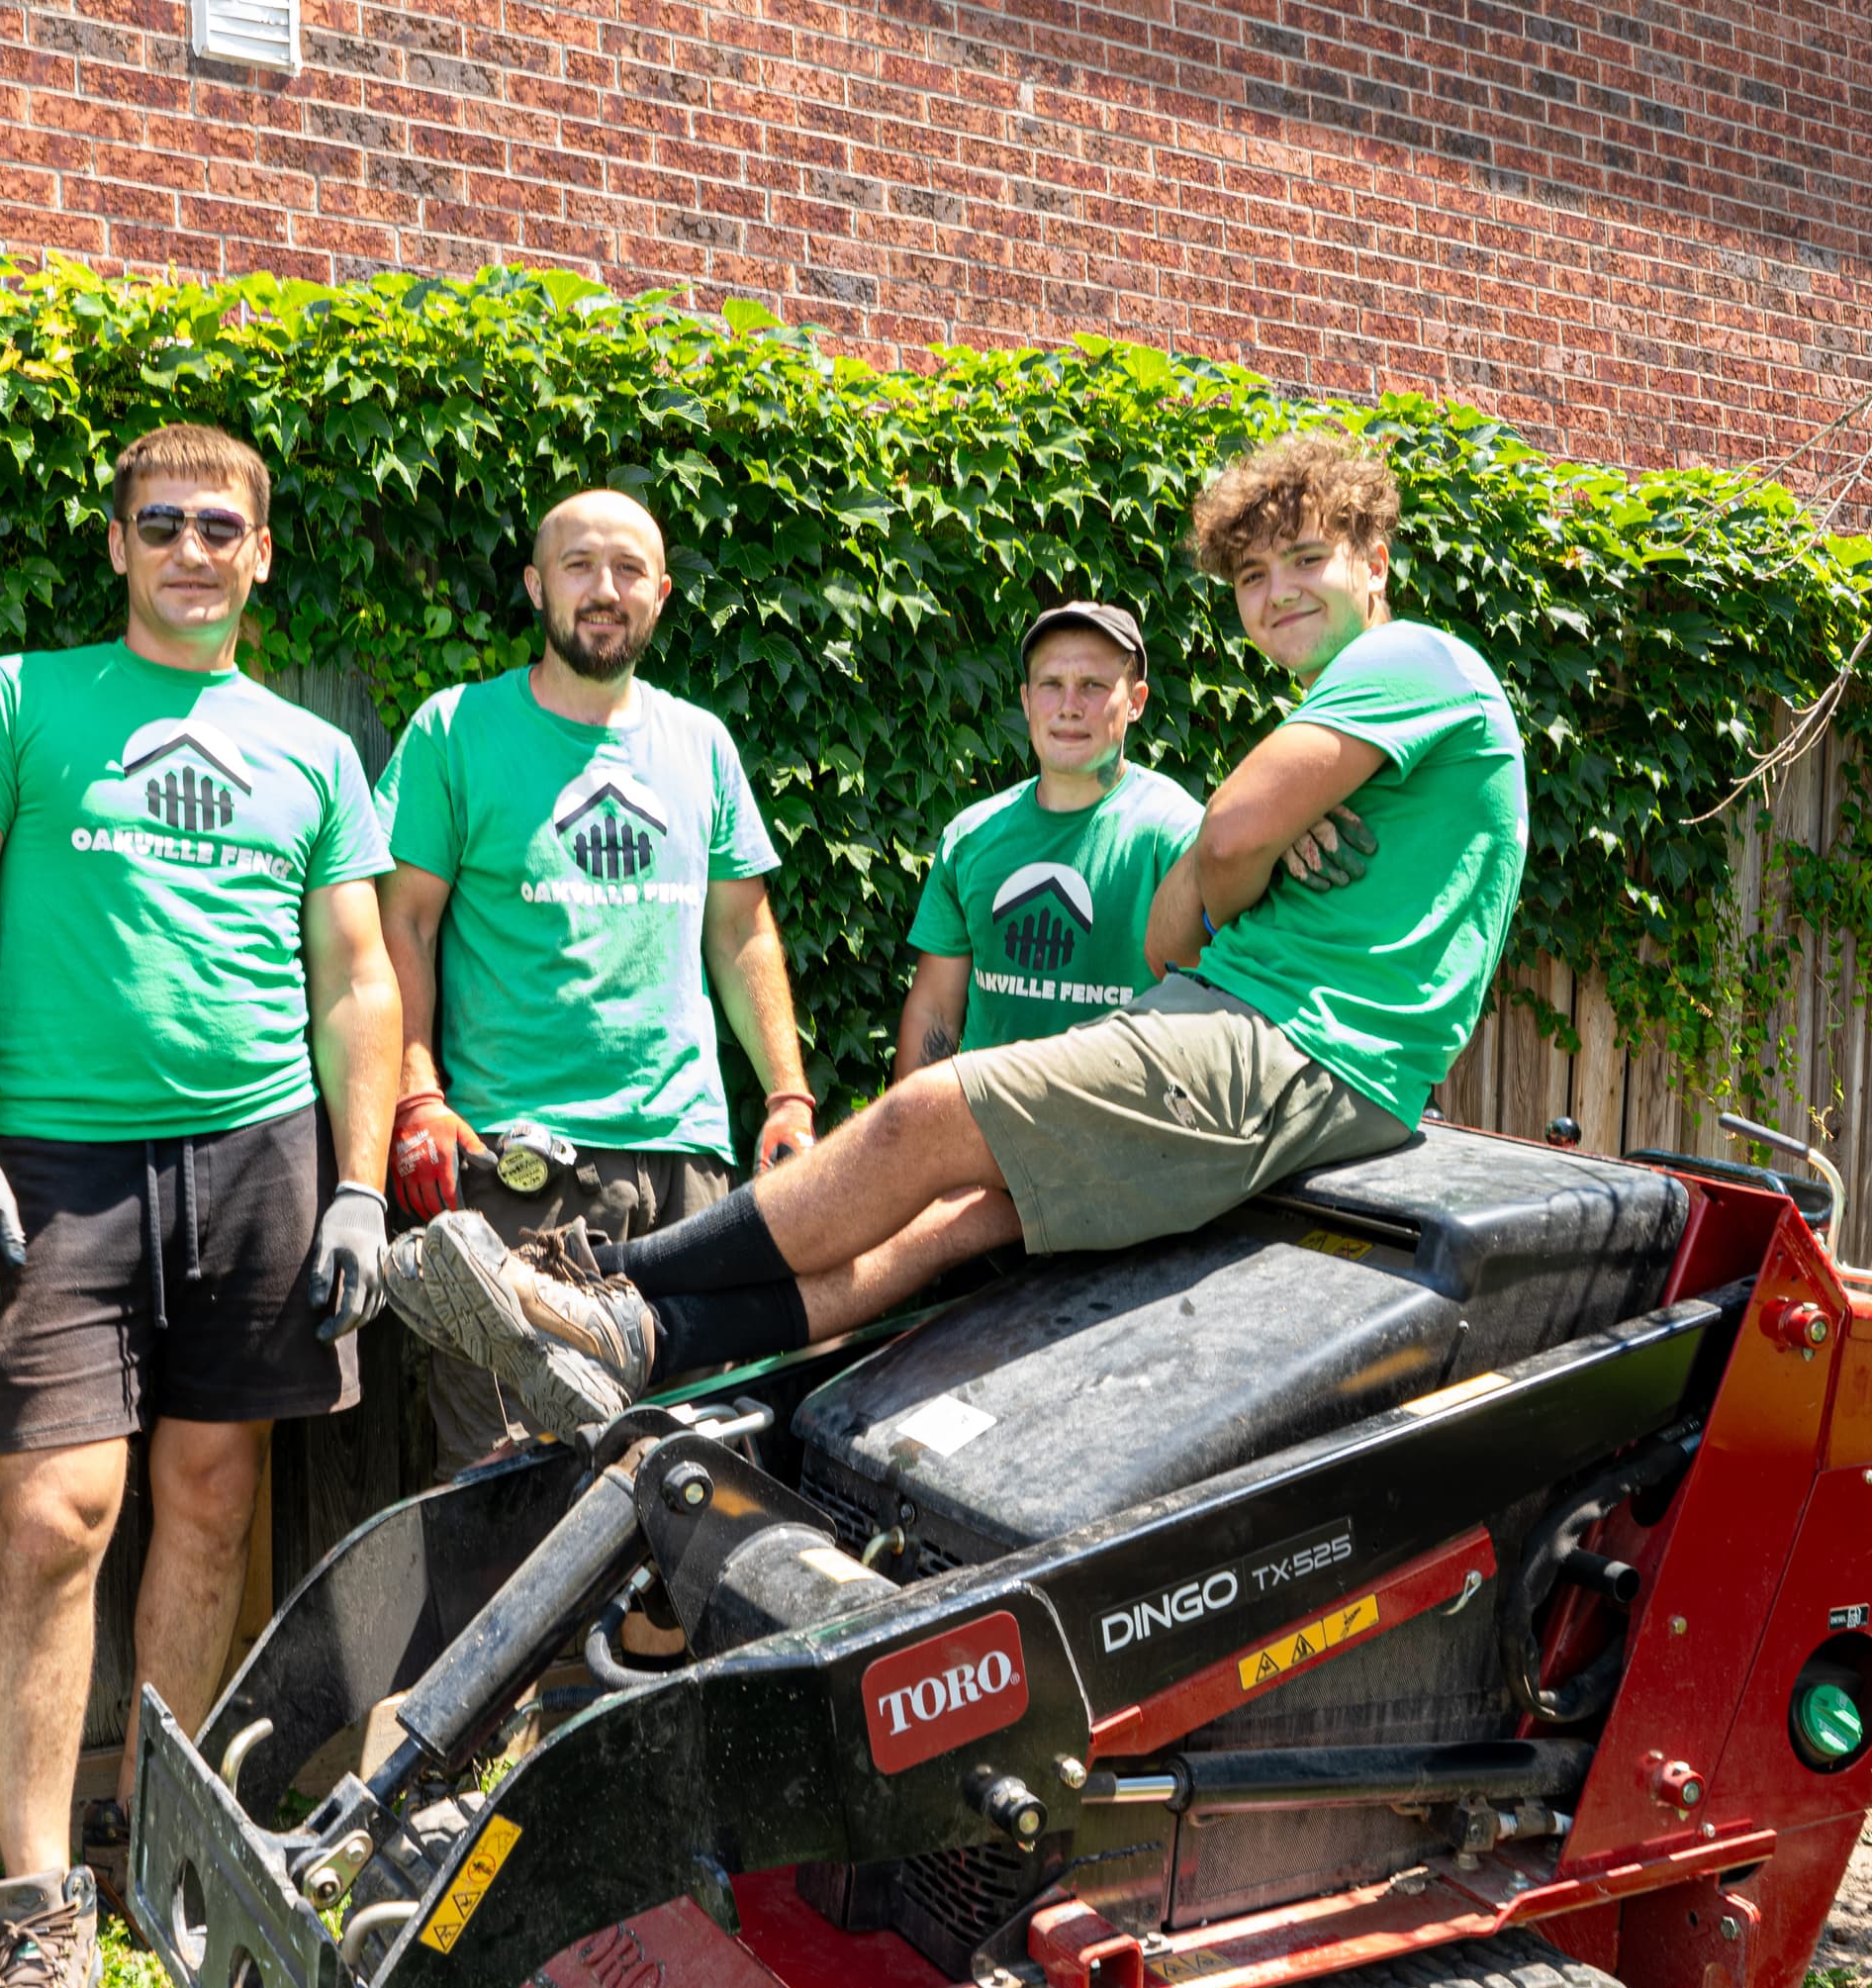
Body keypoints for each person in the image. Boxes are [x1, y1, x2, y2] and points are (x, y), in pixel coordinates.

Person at [382, 429, 1524, 1435]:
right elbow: (1210, 883)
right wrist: (1257, 845)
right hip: (1284, 1041)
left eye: (1307, 560)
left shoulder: (1405, 659)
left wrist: (1249, 846)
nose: (1275, 593)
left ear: (1377, 564)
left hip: (1291, 1041)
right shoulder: (1009, 822)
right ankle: (653, 1341)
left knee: (928, 1111)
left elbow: (1211, 860)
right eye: (1253, 573)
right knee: (952, 1222)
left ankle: (603, 1286)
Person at [0, 422, 402, 1988]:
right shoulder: (18, 704)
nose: (193, 548)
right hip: (60, 1163)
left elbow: (355, 981)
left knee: (210, 1508)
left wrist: (359, 1184)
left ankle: (165, 1865)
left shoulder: (315, 755)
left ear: (263, 556)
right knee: (56, 1517)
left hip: (258, 1158)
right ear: (118, 547)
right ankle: (38, 1918)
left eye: (223, 526)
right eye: (163, 523)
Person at [373, 488, 816, 1468]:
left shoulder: (700, 743)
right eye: (578, 565)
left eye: (627, 571)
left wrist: (787, 1093)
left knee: (701, 1472)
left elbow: (743, 930)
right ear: (535, 585)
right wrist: (416, 1094)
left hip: (691, 1168)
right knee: (512, 1476)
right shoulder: (456, 730)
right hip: (527, 1169)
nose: (603, 589)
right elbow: (397, 921)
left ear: (659, 594)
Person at [891, 600, 1204, 1081]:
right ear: (1025, 699)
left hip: (1128, 1137)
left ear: (1137, 701)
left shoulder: (1178, 833)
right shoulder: (972, 837)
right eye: (1051, 685)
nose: (1069, 707)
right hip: (985, 1136)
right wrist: (907, 1142)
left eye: (1093, 686)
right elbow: (935, 1010)